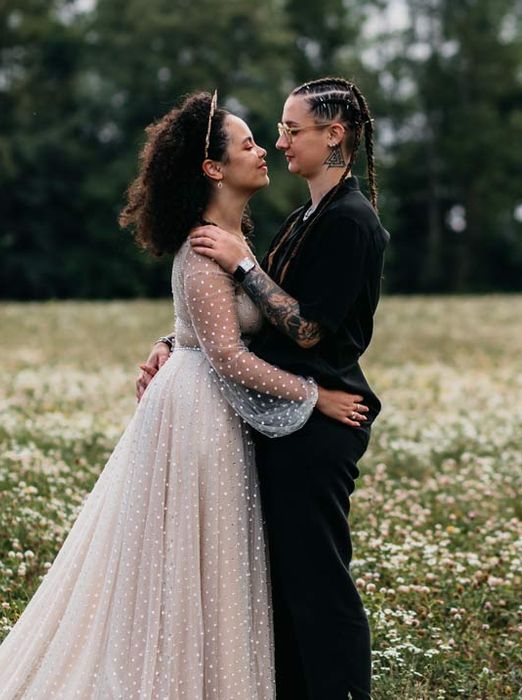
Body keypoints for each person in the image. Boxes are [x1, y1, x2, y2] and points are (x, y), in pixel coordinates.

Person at [0, 91, 366, 699]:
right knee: (195, 555)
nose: (265, 148)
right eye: (249, 141)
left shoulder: (240, 240)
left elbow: (228, 324)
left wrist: (178, 335)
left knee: (210, 556)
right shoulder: (206, 248)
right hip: (201, 413)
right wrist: (314, 395)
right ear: (212, 169)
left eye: (273, 134)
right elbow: (225, 352)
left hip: (212, 405)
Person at [141, 77, 388, 699]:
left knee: (318, 584)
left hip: (322, 417)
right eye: (269, 133)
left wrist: (243, 264)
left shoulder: (349, 223)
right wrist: (176, 343)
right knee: (281, 587)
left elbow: (305, 329)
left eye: (289, 130)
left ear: (334, 136)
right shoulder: (305, 217)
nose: (278, 144)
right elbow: (233, 321)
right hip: (281, 417)